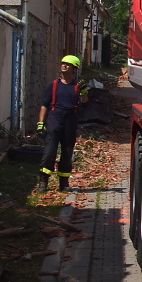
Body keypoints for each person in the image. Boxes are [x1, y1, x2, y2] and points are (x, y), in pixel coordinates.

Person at [38, 54, 87, 189]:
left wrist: (84, 92)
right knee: (50, 150)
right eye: (63, 63)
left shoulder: (77, 87)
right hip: (55, 118)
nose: (64, 66)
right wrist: (41, 123)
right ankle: (43, 181)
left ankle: (63, 182)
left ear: (74, 68)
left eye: (68, 64)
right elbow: (44, 104)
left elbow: (84, 102)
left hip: (70, 120)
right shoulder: (53, 85)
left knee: (67, 151)